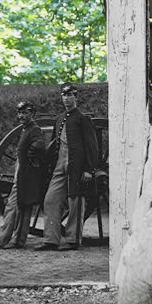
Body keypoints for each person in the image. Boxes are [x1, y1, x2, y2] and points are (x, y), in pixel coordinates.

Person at [37, 82, 99, 251]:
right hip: (59, 165)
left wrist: (88, 169)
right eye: (64, 95)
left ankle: (73, 240)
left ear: (76, 97)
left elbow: (92, 147)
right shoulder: (59, 118)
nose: (66, 98)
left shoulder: (82, 119)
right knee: (50, 200)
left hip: (76, 166)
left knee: (75, 203)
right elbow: (53, 145)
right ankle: (51, 239)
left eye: (70, 95)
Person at [0, 100, 46, 250]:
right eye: (20, 113)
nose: (22, 116)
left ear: (32, 114)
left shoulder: (35, 130)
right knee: (19, 206)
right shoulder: (25, 129)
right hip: (22, 171)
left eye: (25, 113)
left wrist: (30, 155)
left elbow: (40, 144)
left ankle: (5, 240)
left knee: (16, 206)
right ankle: (16, 240)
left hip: (27, 172)